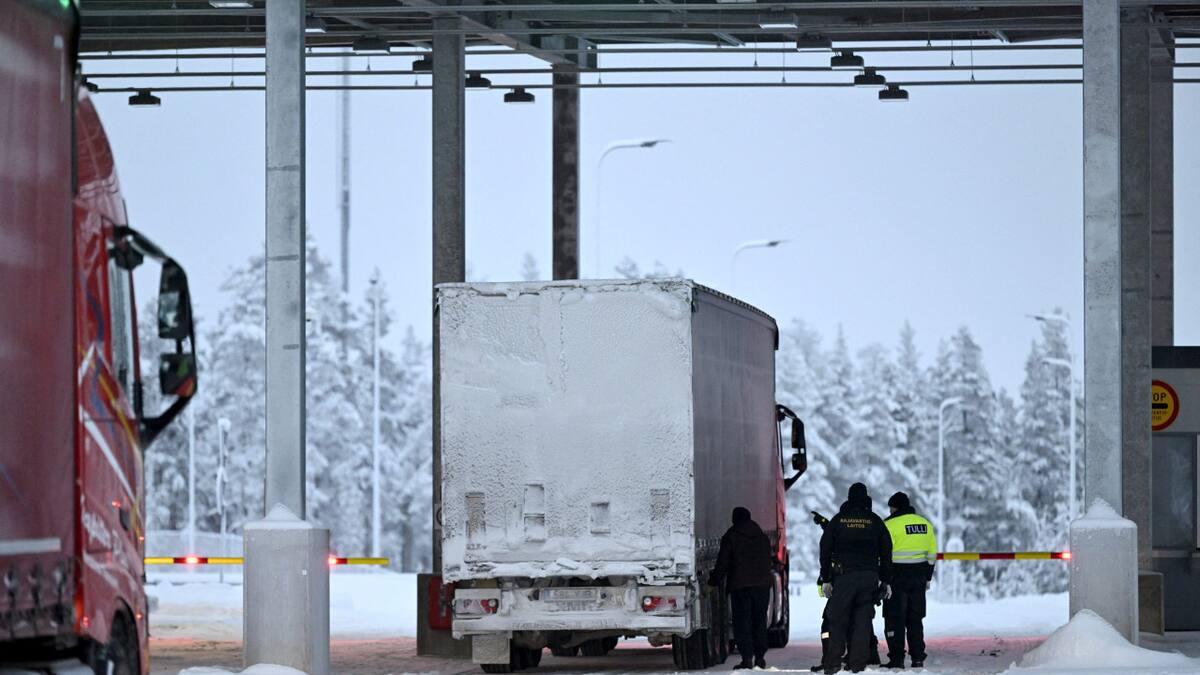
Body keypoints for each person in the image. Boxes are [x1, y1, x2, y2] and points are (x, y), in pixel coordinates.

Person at [819, 483, 892, 674]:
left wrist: (826, 578)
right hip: (869, 578)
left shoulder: (839, 520)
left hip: (844, 577)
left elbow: (825, 549)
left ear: (849, 497)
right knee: (863, 622)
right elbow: (887, 552)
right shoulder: (875, 521)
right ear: (866, 498)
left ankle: (833, 664)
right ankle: (857, 665)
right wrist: (885, 580)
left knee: (837, 619)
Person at [709, 506, 775, 670]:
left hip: (741, 587)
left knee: (742, 623)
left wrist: (713, 581)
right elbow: (769, 561)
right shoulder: (762, 537)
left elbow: (722, 563)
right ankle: (760, 657)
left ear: (735, 519)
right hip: (762, 586)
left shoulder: (731, 537)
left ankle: (747, 658)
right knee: (759, 621)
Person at [881, 491, 937, 670]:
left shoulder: (889, 525)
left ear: (894, 508)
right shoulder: (925, 524)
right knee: (915, 618)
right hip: (919, 576)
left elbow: (883, 555)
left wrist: (883, 580)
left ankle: (897, 659)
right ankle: (918, 658)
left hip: (896, 577)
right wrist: (927, 577)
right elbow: (932, 555)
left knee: (894, 618)